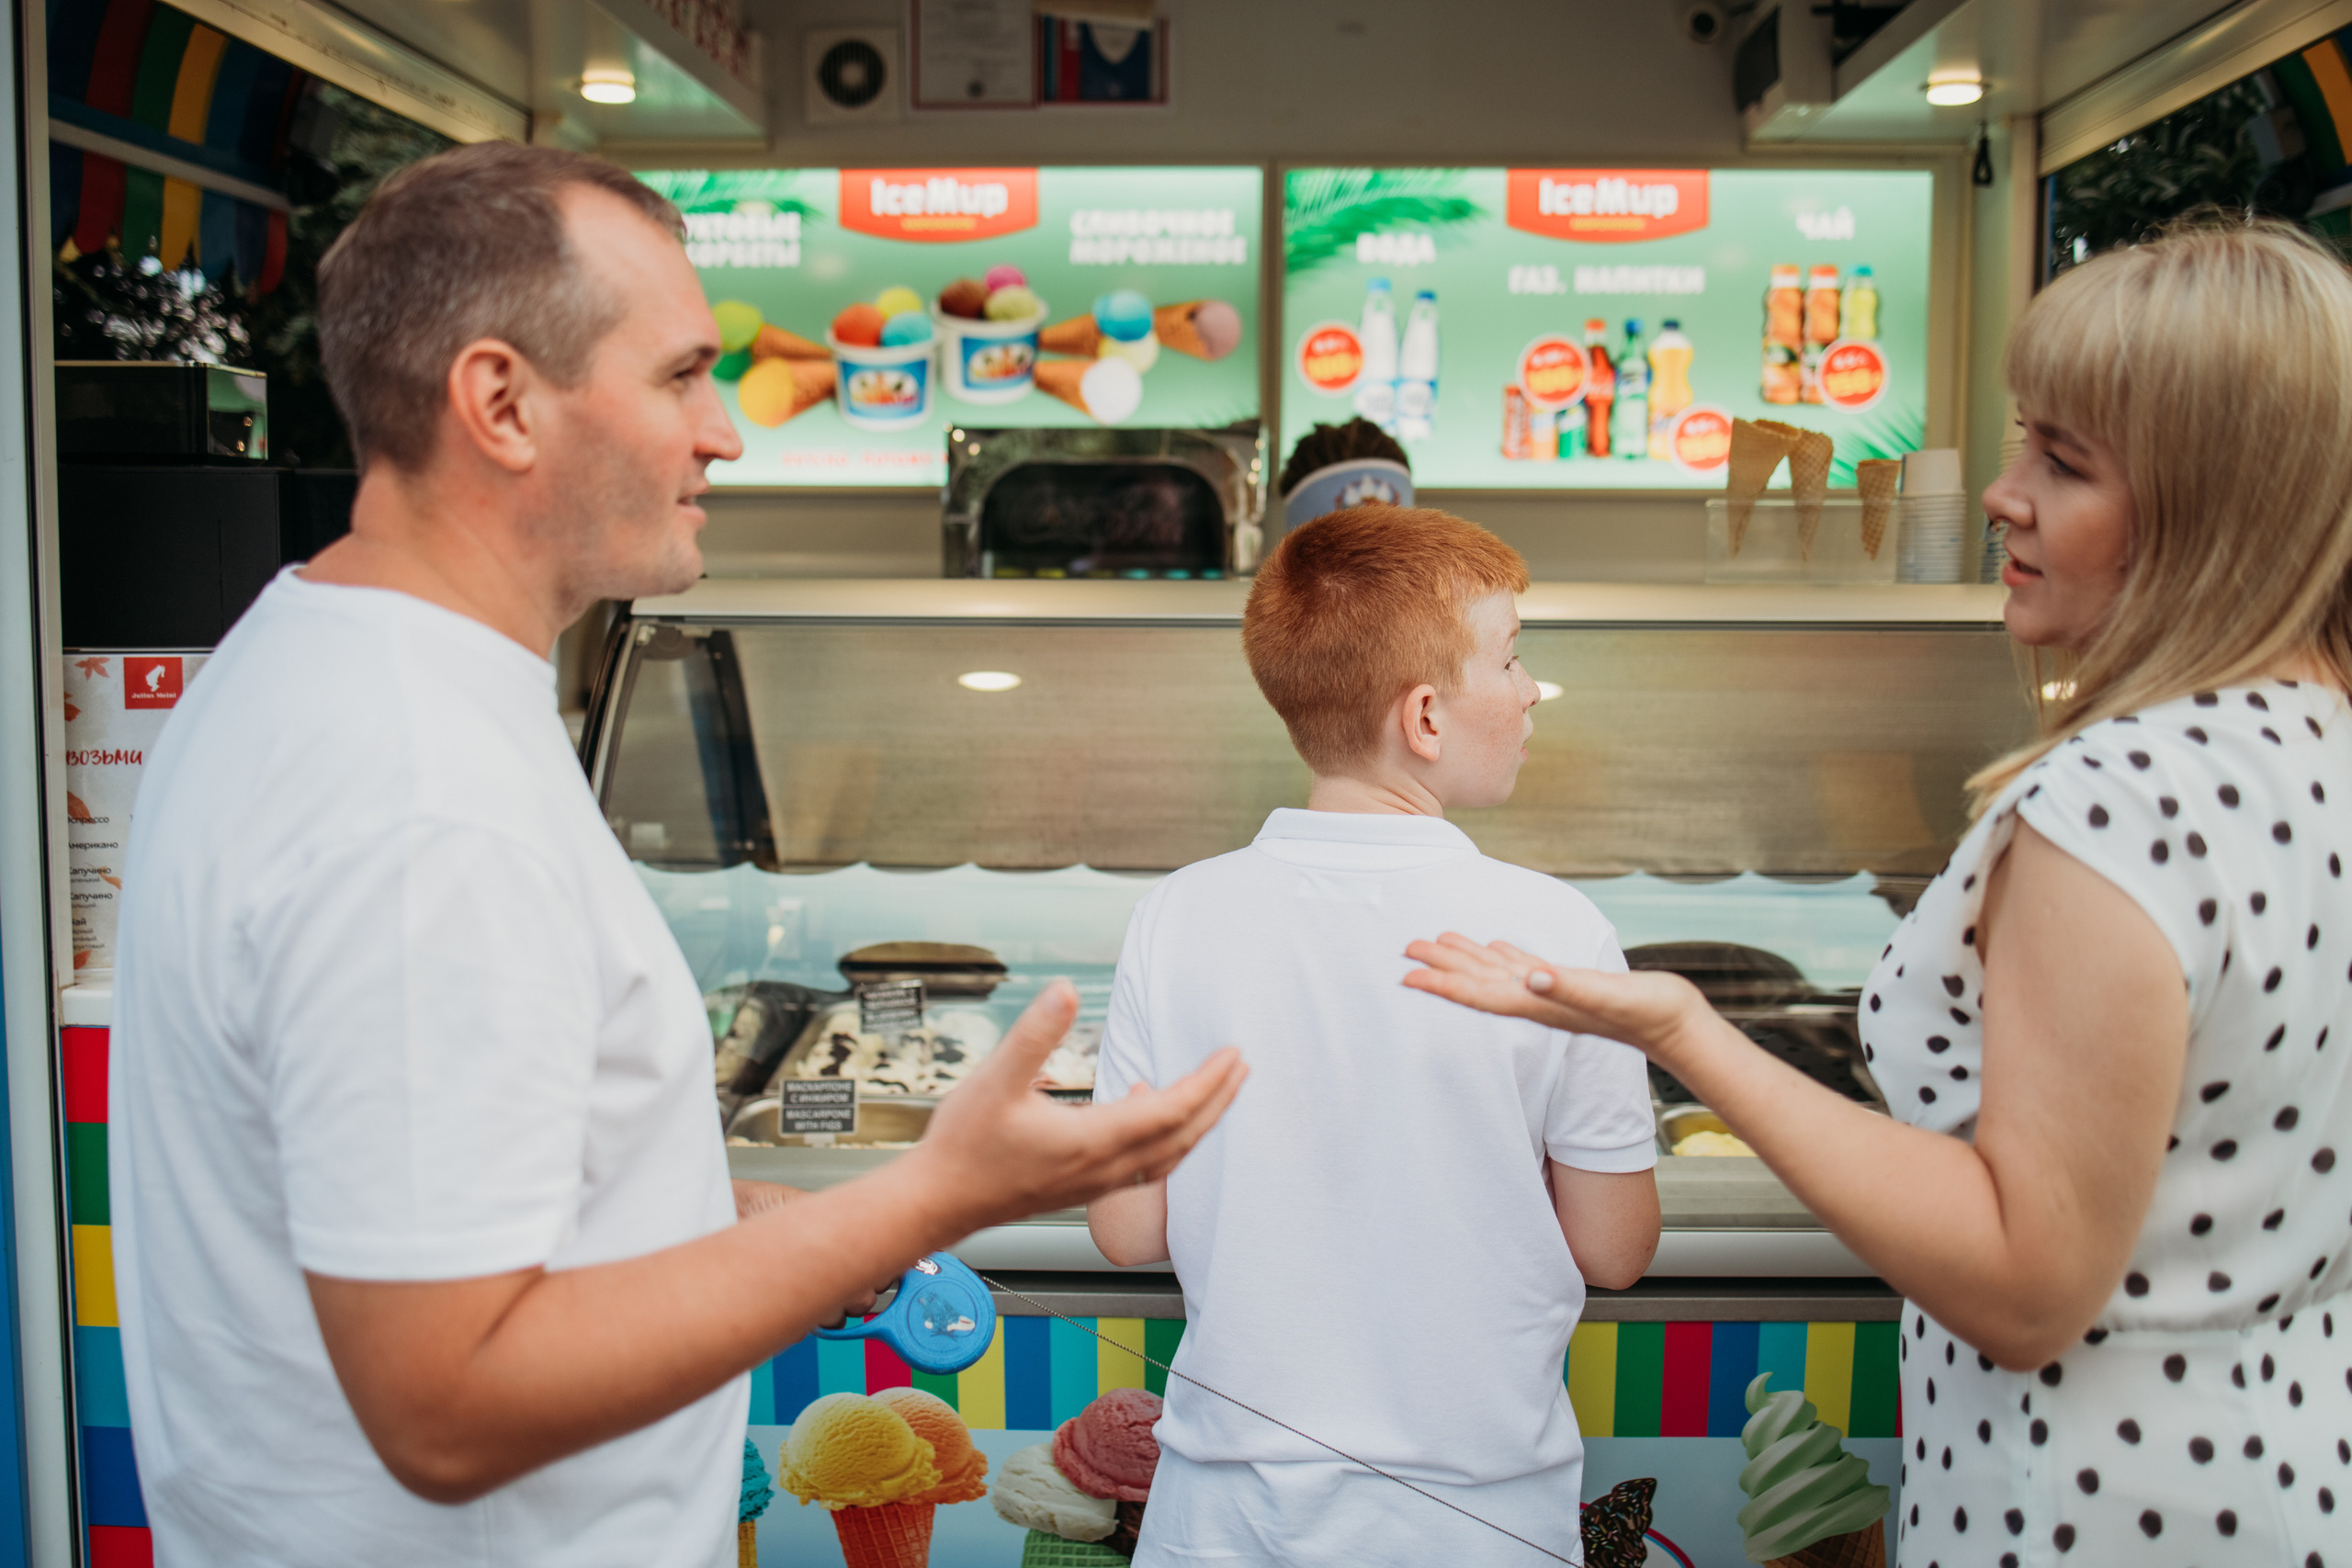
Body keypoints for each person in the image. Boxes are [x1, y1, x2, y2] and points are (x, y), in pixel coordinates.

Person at [107, 141, 1245, 1566]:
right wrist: (933, 1192)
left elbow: (469, 1207)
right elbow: (448, 1397)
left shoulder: (323, 663)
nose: (726, 432)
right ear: (501, 402)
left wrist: (720, 1213)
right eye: (680, 376)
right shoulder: (418, 794)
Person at [1406, 220, 2352, 1565]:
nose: (2004, 495)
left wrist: (1686, 1032)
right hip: (2288, 1473)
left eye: (2064, 461)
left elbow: (2026, 1284)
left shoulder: (2117, 799)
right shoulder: (2317, 739)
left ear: (2217, 502)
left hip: (2090, 1506)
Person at [1087, 506, 1661, 1565]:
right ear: (1426, 717)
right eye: (1512, 657)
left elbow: (1126, 1230)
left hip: (1222, 1523)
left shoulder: (1176, 914)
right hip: (1478, 1525)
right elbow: (1614, 1250)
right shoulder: (1556, 926)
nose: (1531, 689)